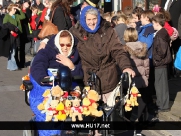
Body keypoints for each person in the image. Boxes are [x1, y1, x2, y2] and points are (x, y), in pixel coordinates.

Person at [69, 6, 135, 101]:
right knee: (91, 112)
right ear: (84, 19)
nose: (92, 22)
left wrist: (126, 67)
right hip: (88, 80)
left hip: (109, 78)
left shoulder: (108, 30)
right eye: (89, 19)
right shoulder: (75, 32)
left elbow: (118, 50)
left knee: (110, 112)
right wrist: (45, 41)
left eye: (94, 19)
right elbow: (61, 39)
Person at [123, 27, 149, 121]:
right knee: (141, 101)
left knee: (128, 101)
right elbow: (147, 65)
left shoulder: (124, 49)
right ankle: (140, 120)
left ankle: (127, 120)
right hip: (142, 79)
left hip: (130, 80)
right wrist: (146, 77)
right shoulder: (143, 47)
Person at [152, 13, 172, 112]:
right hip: (161, 63)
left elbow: (162, 51)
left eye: (153, 23)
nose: (152, 25)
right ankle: (161, 103)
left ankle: (163, 105)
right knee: (160, 84)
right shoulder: (163, 33)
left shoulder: (160, 35)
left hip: (160, 63)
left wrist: (156, 58)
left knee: (161, 85)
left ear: (157, 23)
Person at [3, 4, 25, 71]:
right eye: (14, 9)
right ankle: (13, 67)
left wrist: (19, 9)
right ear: (10, 9)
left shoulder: (16, 15)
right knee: (12, 51)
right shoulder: (7, 16)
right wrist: (10, 31)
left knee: (14, 50)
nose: (15, 10)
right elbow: (4, 25)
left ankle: (10, 66)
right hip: (11, 35)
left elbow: (23, 16)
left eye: (15, 9)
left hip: (17, 34)